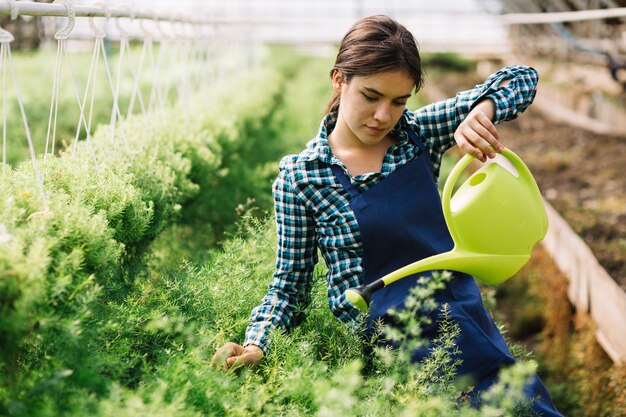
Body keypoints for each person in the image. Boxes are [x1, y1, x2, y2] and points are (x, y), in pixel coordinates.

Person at [212, 15, 563, 416]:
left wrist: (482, 110)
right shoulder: (303, 176)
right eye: (371, 95)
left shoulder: (417, 136)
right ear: (339, 80)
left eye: (399, 101)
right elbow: (288, 290)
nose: (383, 116)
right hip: (387, 358)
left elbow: (522, 79)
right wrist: (257, 343)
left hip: (461, 326)